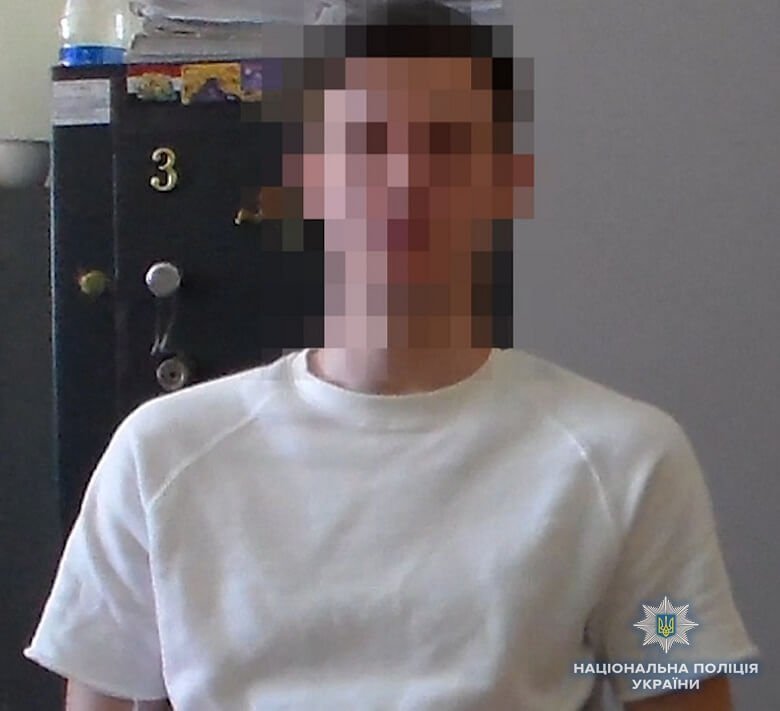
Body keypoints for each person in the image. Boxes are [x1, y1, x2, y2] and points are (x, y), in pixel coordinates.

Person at [24, 1, 759, 709]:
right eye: (367, 143)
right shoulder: (160, 457)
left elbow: (680, 689)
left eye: (446, 144)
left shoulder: (626, 460)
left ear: (506, 180)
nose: (406, 181)